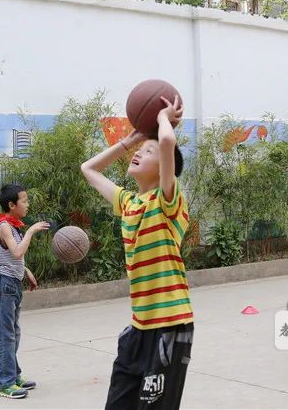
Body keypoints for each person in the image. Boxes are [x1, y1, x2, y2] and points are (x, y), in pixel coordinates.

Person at [81, 95, 194, 409]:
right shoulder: (128, 203)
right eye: (140, 151)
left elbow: (168, 141)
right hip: (139, 327)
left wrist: (162, 119)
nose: (140, 153)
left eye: (149, 152)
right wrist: (129, 142)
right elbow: (88, 169)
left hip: (170, 325)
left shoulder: (168, 202)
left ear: (164, 171)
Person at [0, 184, 50, 398]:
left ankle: (13, 375)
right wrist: (32, 230)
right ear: (11, 205)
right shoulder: (5, 226)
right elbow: (16, 252)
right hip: (4, 285)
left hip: (12, 282)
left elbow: (9, 257)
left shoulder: (12, 226)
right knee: (5, 335)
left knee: (13, 332)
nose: (27, 204)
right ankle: (4, 384)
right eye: (24, 201)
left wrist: (26, 271)